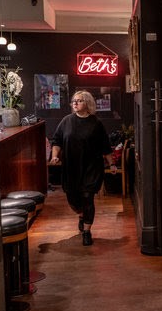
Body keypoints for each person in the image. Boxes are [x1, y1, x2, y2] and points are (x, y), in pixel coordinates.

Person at [49, 90, 116, 246]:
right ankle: (81, 215)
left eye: (79, 101)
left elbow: (105, 147)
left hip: (92, 167)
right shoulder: (66, 121)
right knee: (72, 199)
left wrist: (111, 163)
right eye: (74, 101)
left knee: (87, 198)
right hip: (71, 167)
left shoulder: (96, 124)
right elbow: (57, 140)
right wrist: (54, 155)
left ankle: (87, 231)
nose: (75, 103)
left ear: (88, 104)